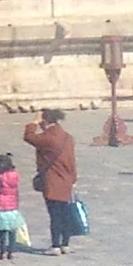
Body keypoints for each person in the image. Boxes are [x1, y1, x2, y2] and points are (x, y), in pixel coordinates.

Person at [23, 108, 81, 253]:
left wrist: (33, 122)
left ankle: (55, 245)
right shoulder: (68, 137)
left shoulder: (47, 138)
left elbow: (29, 137)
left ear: (45, 121)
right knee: (65, 213)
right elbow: (72, 161)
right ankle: (65, 244)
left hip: (52, 181)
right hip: (67, 180)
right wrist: (73, 178)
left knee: (55, 215)